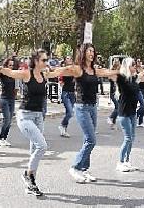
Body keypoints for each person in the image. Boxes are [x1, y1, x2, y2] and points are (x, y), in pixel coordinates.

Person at [49, 43, 119, 183]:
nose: (92, 53)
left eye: (93, 51)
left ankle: (84, 169)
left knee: (87, 140)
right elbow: (63, 70)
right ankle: (75, 167)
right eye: (89, 51)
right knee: (91, 140)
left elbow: (107, 72)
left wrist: (121, 71)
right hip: (81, 107)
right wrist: (48, 72)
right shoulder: (78, 69)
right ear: (83, 53)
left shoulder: (94, 69)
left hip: (93, 107)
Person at [0, 49, 50, 196]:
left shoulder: (44, 74)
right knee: (42, 146)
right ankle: (27, 174)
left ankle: (31, 183)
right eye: (44, 60)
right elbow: (12, 73)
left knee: (35, 151)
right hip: (25, 116)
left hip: (38, 116)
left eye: (47, 60)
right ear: (36, 61)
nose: (46, 63)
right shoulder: (27, 73)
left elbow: (61, 71)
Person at [114, 57, 141, 172]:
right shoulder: (122, 79)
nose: (135, 66)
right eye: (133, 64)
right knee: (128, 138)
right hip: (124, 112)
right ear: (127, 66)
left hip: (132, 112)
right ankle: (120, 162)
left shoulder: (134, 79)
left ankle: (127, 161)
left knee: (132, 138)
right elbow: (115, 73)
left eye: (135, 64)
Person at [0, 57, 19, 147]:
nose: (11, 67)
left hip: (11, 99)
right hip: (4, 99)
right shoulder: (3, 74)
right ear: (6, 65)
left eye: (12, 65)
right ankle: (0, 138)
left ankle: (4, 138)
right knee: (7, 119)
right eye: (9, 65)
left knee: (9, 121)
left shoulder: (13, 74)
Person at [58, 56, 76, 138]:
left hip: (72, 93)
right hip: (65, 93)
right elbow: (60, 81)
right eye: (68, 58)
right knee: (70, 112)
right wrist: (61, 82)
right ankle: (62, 125)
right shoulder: (63, 70)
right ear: (65, 61)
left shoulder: (74, 70)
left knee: (68, 112)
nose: (70, 60)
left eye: (71, 59)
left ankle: (64, 129)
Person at [106, 59, 120, 129]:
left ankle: (113, 124)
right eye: (116, 64)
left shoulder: (119, 73)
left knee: (118, 107)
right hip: (113, 93)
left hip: (119, 93)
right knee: (118, 107)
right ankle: (110, 117)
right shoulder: (111, 73)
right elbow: (110, 79)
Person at [135, 58, 144, 128]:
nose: (139, 62)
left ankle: (140, 121)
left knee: (143, 104)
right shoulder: (135, 70)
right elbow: (137, 79)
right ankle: (135, 117)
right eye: (138, 61)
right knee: (136, 104)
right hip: (137, 89)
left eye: (140, 61)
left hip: (143, 88)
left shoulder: (142, 69)